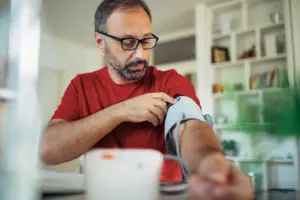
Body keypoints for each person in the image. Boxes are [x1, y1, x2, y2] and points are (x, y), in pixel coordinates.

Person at [40, 0, 253, 199]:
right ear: (101, 42)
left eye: (146, 40)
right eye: (129, 42)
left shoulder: (170, 81)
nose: (141, 54)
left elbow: (191, 127)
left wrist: (209, 161)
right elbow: (47, 151)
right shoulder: (82, 86)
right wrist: (120, 111)